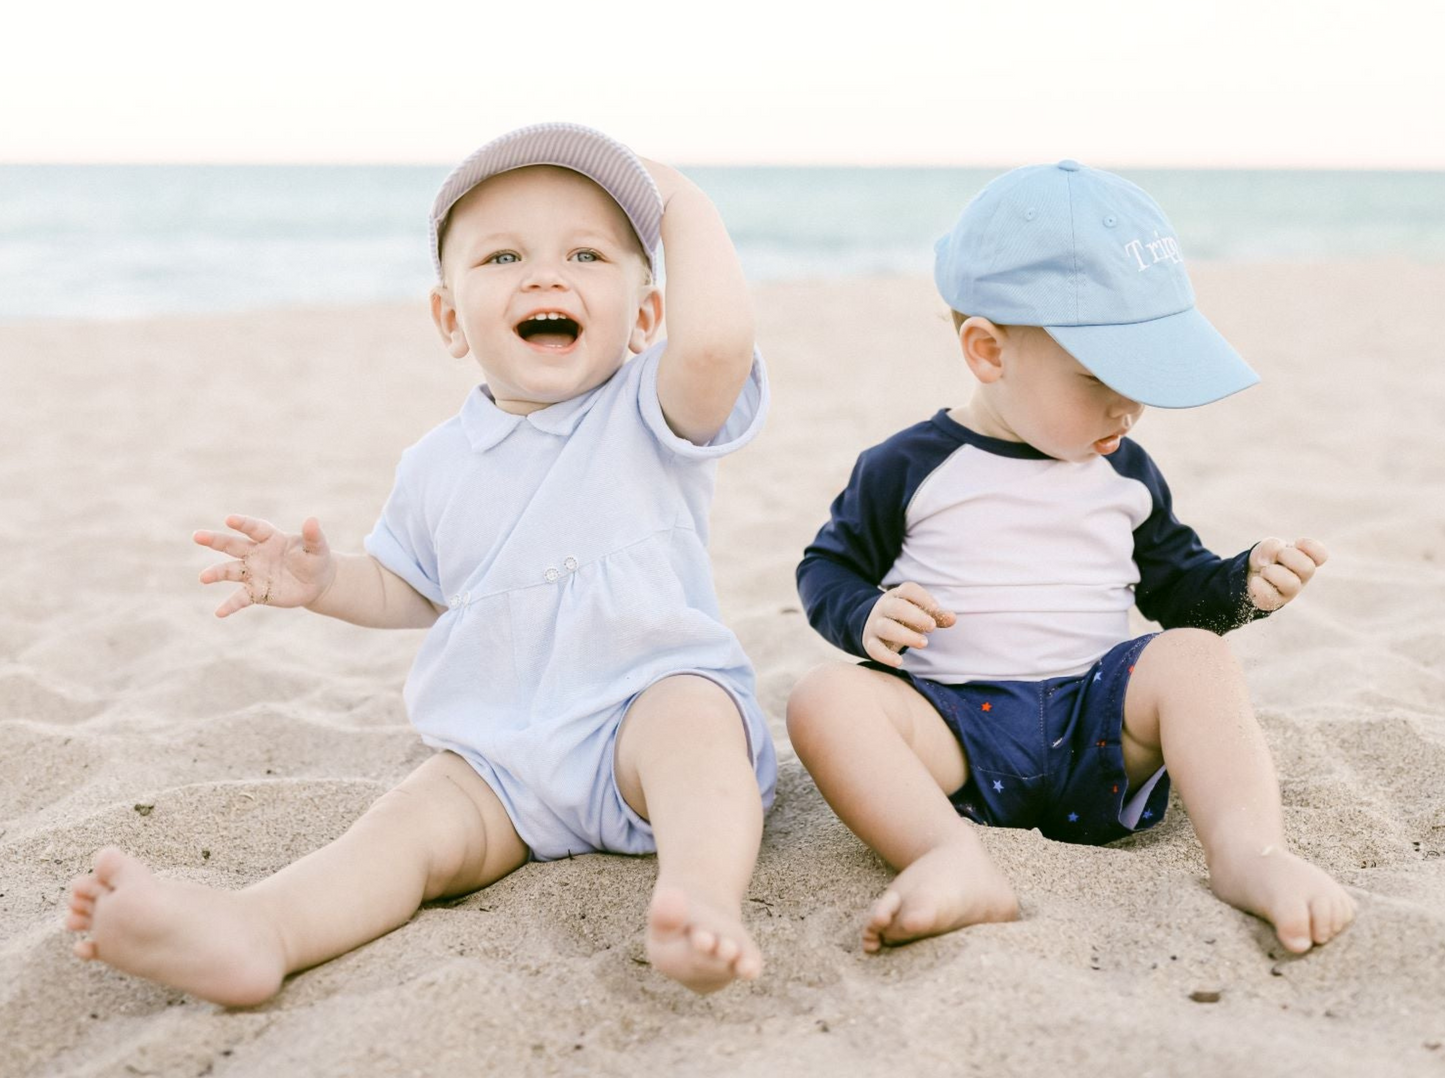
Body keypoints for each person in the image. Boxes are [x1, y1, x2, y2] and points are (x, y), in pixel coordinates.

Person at [63, 123, 777, 1001]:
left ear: (646, 316)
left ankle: (699, 900)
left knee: (694, 721)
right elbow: (413, 587)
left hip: (638, 719)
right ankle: (260, 929)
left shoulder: (650, 408)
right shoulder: (437, 463)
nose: (545, 276)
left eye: (587, 255)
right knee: (404, 827)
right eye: (503, 256)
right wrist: (325, 584)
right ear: (449, 318)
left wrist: (683, 205)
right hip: (503, 757)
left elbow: (717, 347)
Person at [789, 159, 1356, 957]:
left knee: (1191, 656)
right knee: (825, 700)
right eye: (1102, 378)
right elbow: (826, 569)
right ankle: (947, 857)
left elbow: (1176, 593)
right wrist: (867, 613)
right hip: (954, 730)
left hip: (1100, 727)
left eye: (1144, 378)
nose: (1128, 406)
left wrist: (1240, 587)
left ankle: (1248, 852)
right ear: (987, 351)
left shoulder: (1124, 470)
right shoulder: (907, 467)